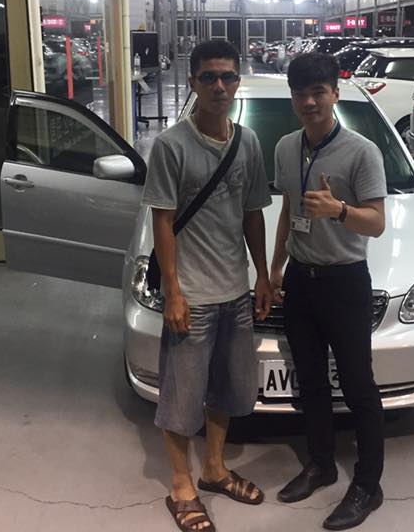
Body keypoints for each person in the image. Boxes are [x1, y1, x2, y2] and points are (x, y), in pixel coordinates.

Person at [142, 40, 274, 532]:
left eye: (228, 77)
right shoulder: (171, 145)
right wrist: (173, 294)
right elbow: (162, 220)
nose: (220, 86)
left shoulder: (248, 142)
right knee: (181, 396)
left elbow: (252, 213)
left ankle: (214, 469)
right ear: (193, 82)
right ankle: (181, 486)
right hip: (192, 297)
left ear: (237, 82)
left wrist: (262, 275)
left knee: (227, 388)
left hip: (235, 293)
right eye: (209, 77)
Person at [270, 52, 387, 530]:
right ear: (293, 99)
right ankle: (321, 464)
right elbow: (288, 210)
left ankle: (368, 485)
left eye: (318, 92)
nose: (309, 102)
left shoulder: (362, 152)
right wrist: (274, 269)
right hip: (301, 280)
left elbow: (376, 223)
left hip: (345, 281)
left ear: (335, 94)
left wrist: (338, 210)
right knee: (312, 381)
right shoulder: (285, 148)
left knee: (358, 386)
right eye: (300, 94)